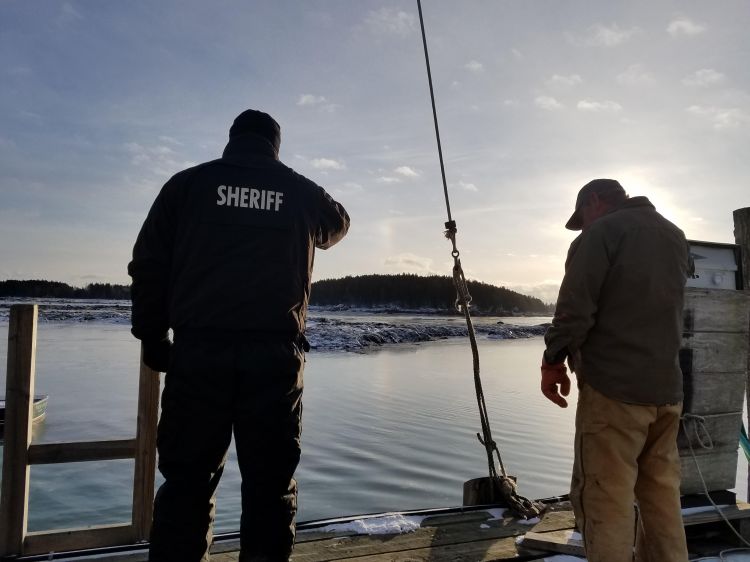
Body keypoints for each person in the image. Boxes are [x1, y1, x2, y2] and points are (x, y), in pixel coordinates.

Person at [128, 109, 349, 562]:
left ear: (232, 140)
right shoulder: (302, 191)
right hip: (274, 361)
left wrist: (152, 338)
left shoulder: (185, 186)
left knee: (187, 485)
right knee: (270, 488)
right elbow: (339, 223)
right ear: (275, 145)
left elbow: (148, 266)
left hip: (197, 356)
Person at [541, 179, 691, 562]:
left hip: (613, 393)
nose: (584, 227)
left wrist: (553, 362)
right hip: (667, 393)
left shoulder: (601, 234)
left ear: (594, 202)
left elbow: (574, 308)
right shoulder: (674, 235)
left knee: (605, 498)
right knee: (661, 498)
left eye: (583, 218)